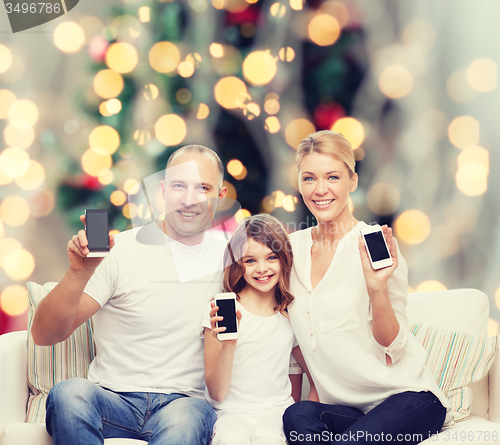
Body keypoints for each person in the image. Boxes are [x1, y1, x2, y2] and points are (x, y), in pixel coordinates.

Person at [31, 145, 228, 445]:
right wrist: (78, 274)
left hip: (182, 404)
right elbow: (44, 334)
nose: (189, 199)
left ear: (221, 196)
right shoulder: (121, 250)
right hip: (112, 400)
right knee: (69, 394)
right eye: (179, 185)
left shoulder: (233, 260)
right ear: (162, 190)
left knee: (185, 422)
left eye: (203, 187)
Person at [282, 130, 449, 445]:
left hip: (408, 400)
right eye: (309, 178)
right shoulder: (290, 250)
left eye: (332, 177)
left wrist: (377, 288)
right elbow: (297, 341)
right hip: (348, 411)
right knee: (297, 416)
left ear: (353, 181)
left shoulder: (375, 244)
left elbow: (392, 348)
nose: (320, 190)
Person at [203, 214, 316, 445]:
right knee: (231, 439)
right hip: (229, 414)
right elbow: (217, 393)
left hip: (275, 413)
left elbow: (312, 374)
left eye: (271, 257)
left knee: (270, 438)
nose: (262, 269)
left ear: (284, 259)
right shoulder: (221, 309)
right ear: (237, 264)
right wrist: (229, 345)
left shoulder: (290, 314)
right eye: (250, 261)